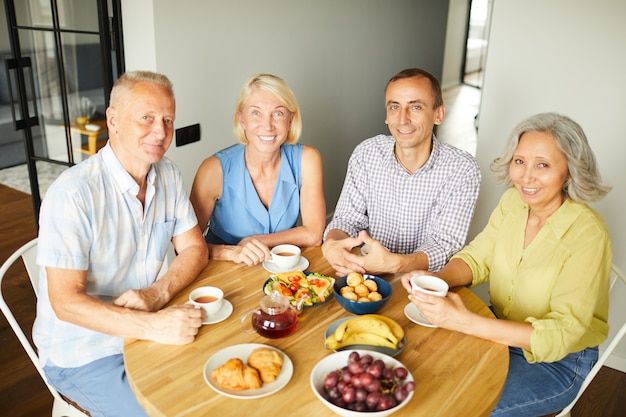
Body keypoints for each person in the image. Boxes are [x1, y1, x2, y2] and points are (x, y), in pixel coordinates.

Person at [401, 112, 612, 416]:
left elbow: (560, 334)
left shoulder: (588, 234)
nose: (526, 176)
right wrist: (435, 279)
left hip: (558, 362)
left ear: (569, 170)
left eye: (543, 165)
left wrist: (465, 322)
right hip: (493, 331)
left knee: (456, 406)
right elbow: (477, 259)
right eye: (519, 161)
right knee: (422, 376)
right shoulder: (513, 203)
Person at [33, 71, 209, 417]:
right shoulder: (73, 193)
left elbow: (194, 249)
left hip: (145, 330)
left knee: (212, 393)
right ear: (113, 120)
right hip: (83, 353)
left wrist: (157, 294)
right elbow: (65, 303)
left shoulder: (168, 174)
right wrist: (154, 325)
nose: (160, 132)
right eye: (146, 118)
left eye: (167, 120)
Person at [322, 68, 481, 277]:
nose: (403, 119)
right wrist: (333, 242)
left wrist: (396, 264)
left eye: (415, 107)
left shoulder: (463, 170)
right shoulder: (366, 154)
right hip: (367, 273)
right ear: (387, 115)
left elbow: (444, 244)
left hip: (425, 280)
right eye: (395, 107)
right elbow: (347, 219)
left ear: (438, 114)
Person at [190, 73, 325, 266]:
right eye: (256, 113)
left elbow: (314, 234)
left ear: (290, 120)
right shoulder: (213, 170)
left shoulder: (308, 159)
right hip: (223, 272)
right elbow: (186, 246)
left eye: (278, 113)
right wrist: (232, 252)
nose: (267, 125)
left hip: (282, 269)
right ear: (241, 120)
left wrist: (255, 242)